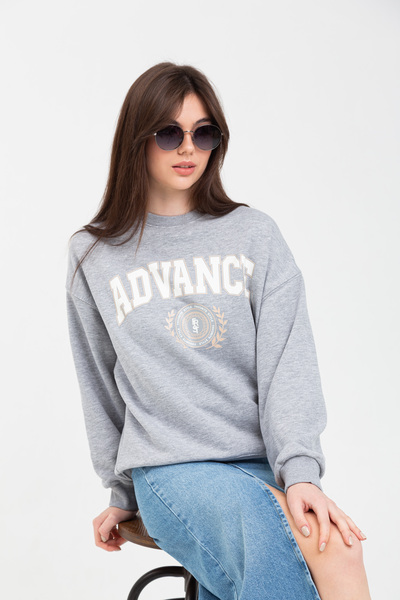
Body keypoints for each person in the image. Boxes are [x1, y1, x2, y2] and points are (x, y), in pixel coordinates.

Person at [66, 62, 371, 600]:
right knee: (270, 535)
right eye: (169, 133)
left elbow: (287, 364)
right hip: (170, 469)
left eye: (203, 133)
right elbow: (99, 383)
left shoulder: (255, 235)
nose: (188, 148)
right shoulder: (94, 252)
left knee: (340, 547)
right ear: (138, 138)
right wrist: (120, 491)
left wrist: (301, 471)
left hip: (258, 464)